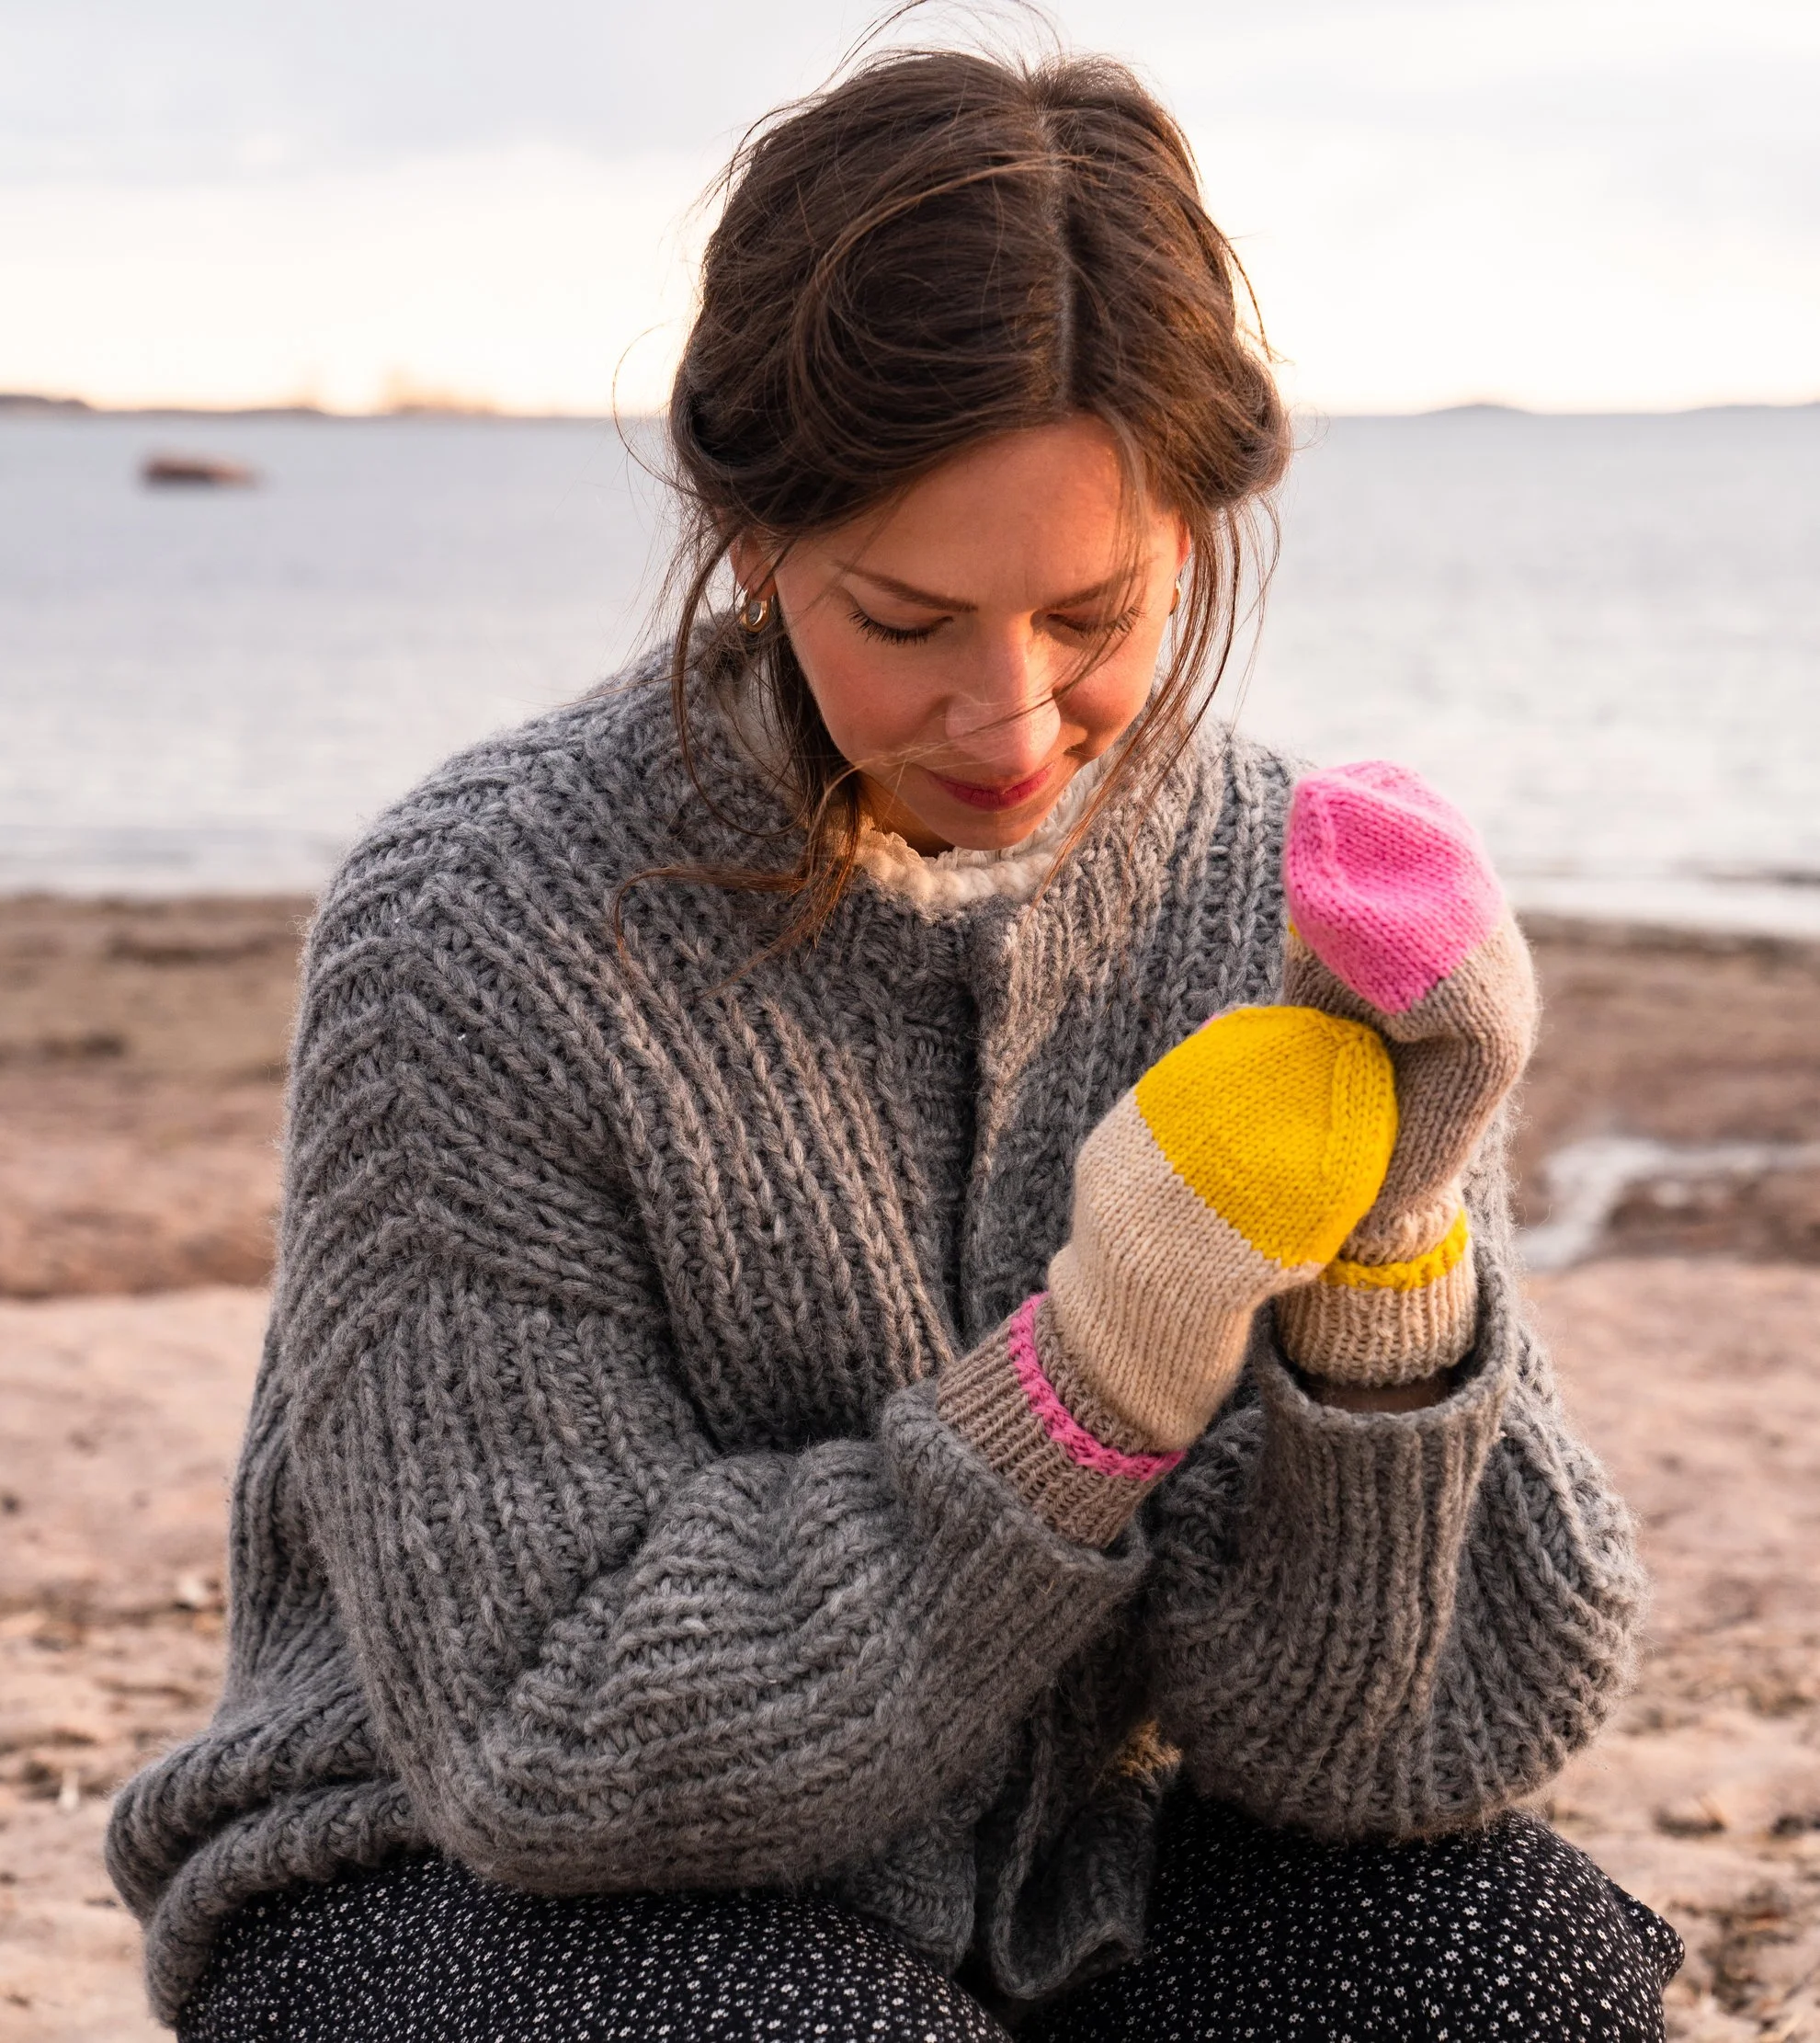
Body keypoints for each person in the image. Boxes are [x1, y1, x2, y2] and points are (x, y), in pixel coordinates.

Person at [108, 39, 1683, 2041]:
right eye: (908, 619)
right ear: (754, 533)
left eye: (1092, 616)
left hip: (1053, 1883)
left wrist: (1395, 1270)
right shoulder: (475, 929)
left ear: (1197, 533)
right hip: (458, 1875)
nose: (1010, 720)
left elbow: (1395, 1760)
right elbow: (547, 1735)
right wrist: (1091, 1385)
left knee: (1517, 1967)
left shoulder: (1286, 898)